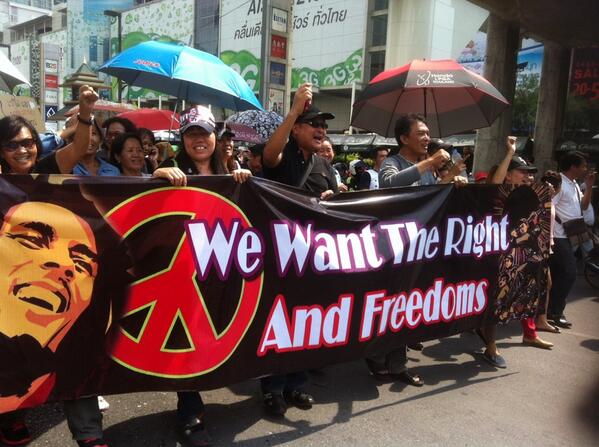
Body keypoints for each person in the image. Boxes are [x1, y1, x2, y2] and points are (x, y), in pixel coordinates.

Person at [153, 105, 251, 446]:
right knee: (185, 339)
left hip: (223, 269)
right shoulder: (172, 169)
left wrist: (244, 182)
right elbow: (143, 201)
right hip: (183, 272)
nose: (198, 140)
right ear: (183, 139)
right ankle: (189, 409)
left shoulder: (231, 171)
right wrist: (158, 175)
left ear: (214, 137)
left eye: (204, 133)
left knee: (219, 332)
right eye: (191, 133)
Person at [260, 83, 338, 417]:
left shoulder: (323, 164)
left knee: (304, 324)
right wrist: (293, 110)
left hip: (313, 260)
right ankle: (273, 389)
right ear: (296, 129)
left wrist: (332, 200)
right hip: (280, 258)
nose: (321, 130)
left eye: (324, 126)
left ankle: (297, 384)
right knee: (278, 324)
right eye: (314, 124)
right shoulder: (284, 154)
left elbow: (337, 203)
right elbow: (269, 157)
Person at [373, 113, 464, 386]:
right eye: (421, 133)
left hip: (419, 247)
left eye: (427, 133)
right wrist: (429, 163)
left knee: (405, 306)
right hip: (393, 248)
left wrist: (450, 181)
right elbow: (389, 183)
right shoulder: (392, 163)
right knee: (387, 305)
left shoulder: (427, 169)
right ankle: (376, 358)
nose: (427, 138)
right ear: (404, 138)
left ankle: (396, 363)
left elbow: (429, 199)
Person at [489, 139, 555, 349]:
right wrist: (511, 152)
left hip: (527, 251)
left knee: (531, 288)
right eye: (522, 172)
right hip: (500, 250)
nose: (528, 176)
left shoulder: (532, 193)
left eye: (530, 173)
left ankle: (530, 334)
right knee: (499, 293)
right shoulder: (502, 191)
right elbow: (496, 183)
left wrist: (550, 196)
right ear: (508, 175)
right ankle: (489, 342)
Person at [549, 151, 595, 329]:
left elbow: (584, 206)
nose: (585, 169)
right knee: (569, 272)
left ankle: (549, 310)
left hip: (571, 235)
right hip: (558, 236)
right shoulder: (559, 182)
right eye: (583, 166)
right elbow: (549, 206)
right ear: (573, 167)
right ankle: (555, 311)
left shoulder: (574, 184)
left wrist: (589, 187)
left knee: (558, 274)